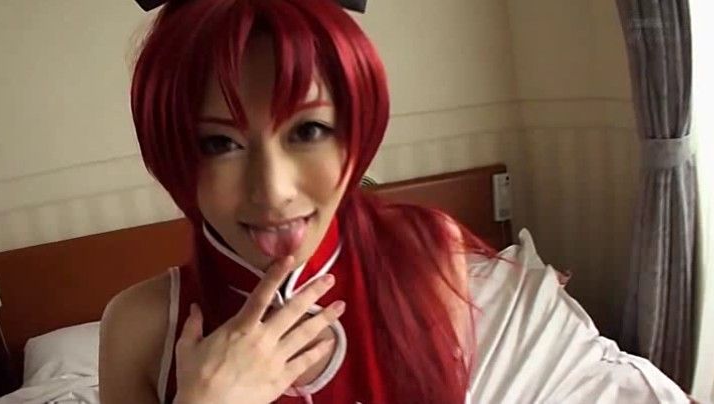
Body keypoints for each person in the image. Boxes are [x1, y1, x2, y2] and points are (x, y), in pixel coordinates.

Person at [98, 0, 692, 403]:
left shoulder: (428, 254)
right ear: (172, 153)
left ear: (357, 133)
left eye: (308, 130)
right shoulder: (141, 331)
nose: (273, 191)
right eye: (219, 143)